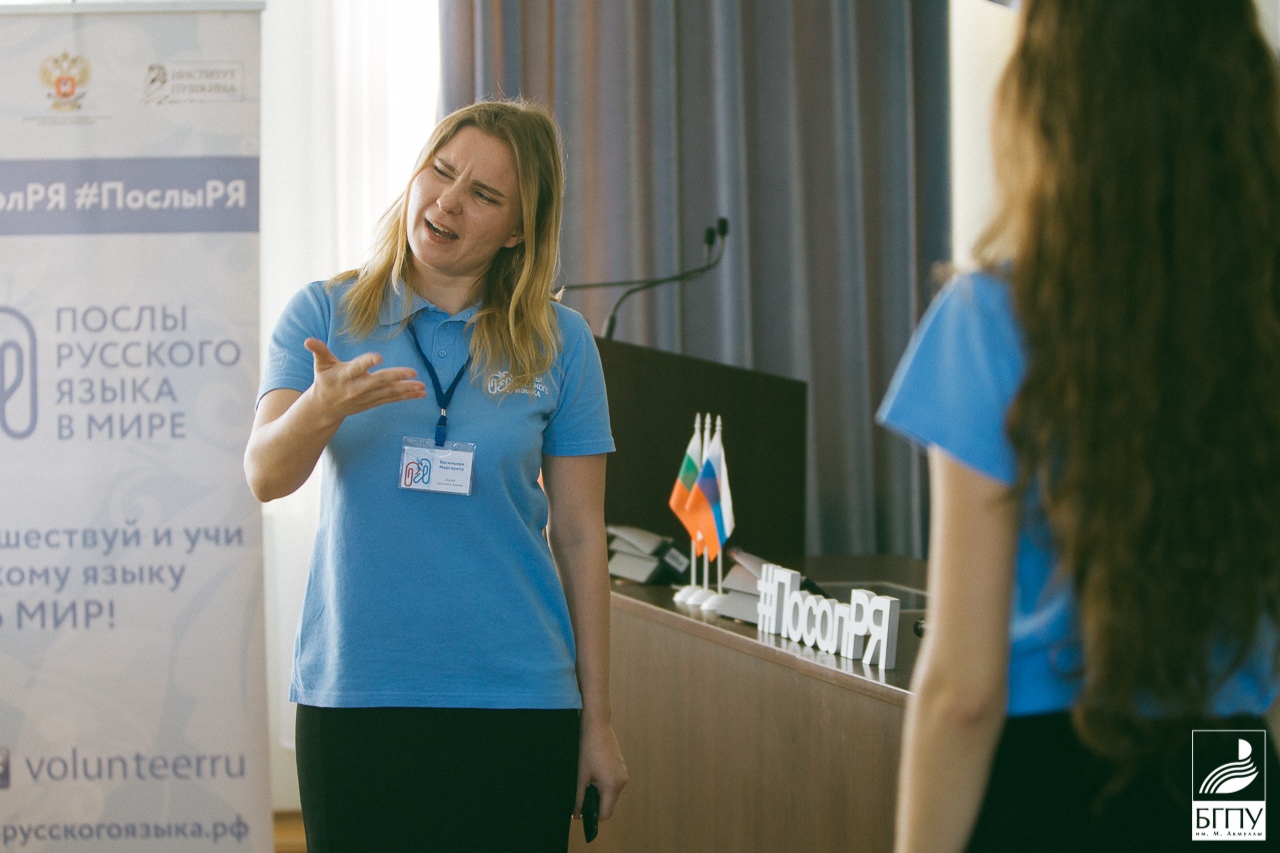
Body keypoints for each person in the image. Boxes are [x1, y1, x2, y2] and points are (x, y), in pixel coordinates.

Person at [878, 2, 1280, 850]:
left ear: (1053, 102)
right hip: (1224, 760)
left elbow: (965, 690)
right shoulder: (1260, 330)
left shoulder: (989, 323)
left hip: (1045, 772)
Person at [244, 99, 627, 852]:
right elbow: (265, 475)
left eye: (483, 194)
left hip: (519, 699)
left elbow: (582, 538)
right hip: (359, 693)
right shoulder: (326, 313)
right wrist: (321, 406)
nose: (447, 201)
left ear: (518, 230)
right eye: (441, 171)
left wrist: (599, 721)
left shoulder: (563, 343)